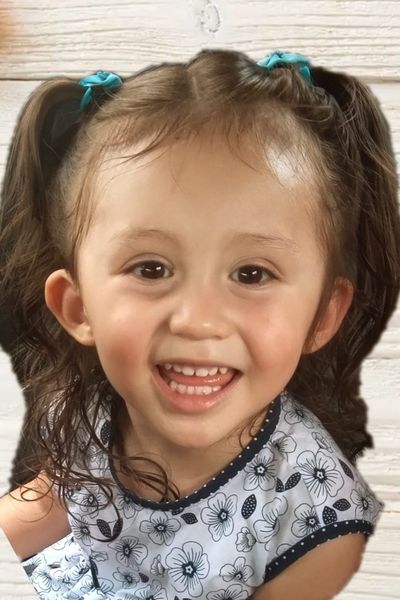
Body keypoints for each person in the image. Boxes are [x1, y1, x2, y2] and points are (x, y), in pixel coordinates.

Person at [0, 48, 398, 600]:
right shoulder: (95, 413)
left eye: (252, 274)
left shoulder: (325, 529)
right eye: (151, 269)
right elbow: (32, 518)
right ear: (78, 307)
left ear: (322, 315)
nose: (199, 321)